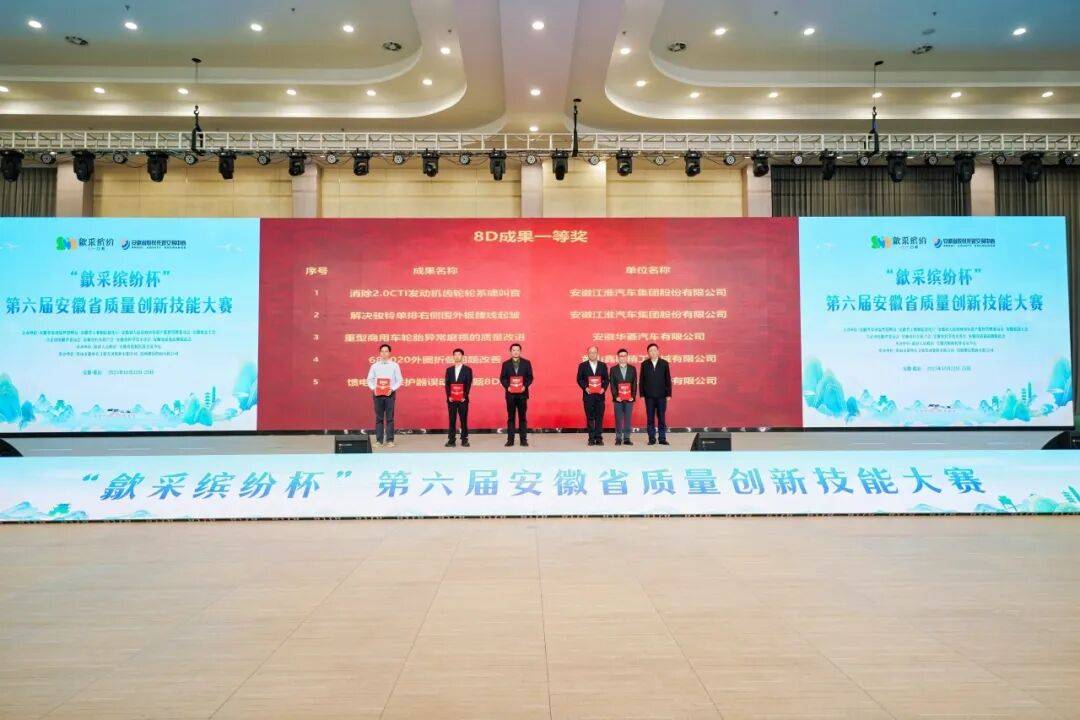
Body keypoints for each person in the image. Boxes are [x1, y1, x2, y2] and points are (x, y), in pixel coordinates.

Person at [366, 343, 403, 448]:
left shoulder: (395, 365)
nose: (384, 353)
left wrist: (392, 388)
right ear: (380, 353)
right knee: (379, 418)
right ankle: (379, 441)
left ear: (389, 353)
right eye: (382, 351)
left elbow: (399, 380)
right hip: (377, 395)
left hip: (390, 394)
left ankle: (390, 440)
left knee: (390, 418)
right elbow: (369, 379)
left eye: (386, 351)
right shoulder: (374, 366)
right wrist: (374, 388)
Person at [499, 342, 533, 446]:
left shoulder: (526, 363)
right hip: (510, 395)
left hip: (522, 394)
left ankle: (523, 440)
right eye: (513, 350)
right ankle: (510, 440)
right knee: (511, 418)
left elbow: (530, 377)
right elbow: (502, 378)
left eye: (517, 350)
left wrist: (525, 386)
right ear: (511, 352)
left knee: (522, 417)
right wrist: (507, 387)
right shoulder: (506, 364)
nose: (515, 352)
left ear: (520, 351)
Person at [639, 342, 672, 445]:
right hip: (649, 397)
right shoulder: (644, 364)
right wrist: (642, 394)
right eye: (650, 351)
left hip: (662, 396)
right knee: (650, 418)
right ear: (648, 353)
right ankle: (651, 438)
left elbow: (668, 379)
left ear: (658, 351)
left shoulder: (664, 363)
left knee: (661, 418)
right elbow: (641, 380)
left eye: (654, 350)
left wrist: (669, 394)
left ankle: (662, 438)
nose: (652, 352)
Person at [576, 345, 609, 446]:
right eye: (590, 352)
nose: (592, 354)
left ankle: (599, 438)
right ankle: (591, 438)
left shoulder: (603, 365)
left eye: (594, 352)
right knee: (590, 418)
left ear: (597, 354)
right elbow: (579, 379)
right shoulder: (582, 365)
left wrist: (603, 388)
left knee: (599, 418)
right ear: (588, 354)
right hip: (588, 396)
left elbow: (606, 379)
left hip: (600, 396)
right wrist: (585, 387)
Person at [444, 348, 473, 447]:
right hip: (451, 399)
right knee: (452, 420)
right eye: (455, 355)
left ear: (462, 356)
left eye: (459, 354)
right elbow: (447, 384)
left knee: (463, 420)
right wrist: (449, 396)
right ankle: (451, 440)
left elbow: (468, 384)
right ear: (453, 356)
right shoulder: (449, 370)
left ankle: (464, 439)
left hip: (463, 400)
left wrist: (464, 396)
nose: (457, 356)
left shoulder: (467, 370)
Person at [610, 348, 637, 446]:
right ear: (618, 357)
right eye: (621, 356)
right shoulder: (613, 369)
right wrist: (615, 396)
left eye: (625, 355)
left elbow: (634, 383)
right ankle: (618, 438)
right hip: (618, 399)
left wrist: (633, 396)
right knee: (618, 419)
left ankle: (627, 438)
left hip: (629, 399)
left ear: (627, 357)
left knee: (628, 419)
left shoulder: (632, 368)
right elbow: (612, 384)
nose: (623, 357)